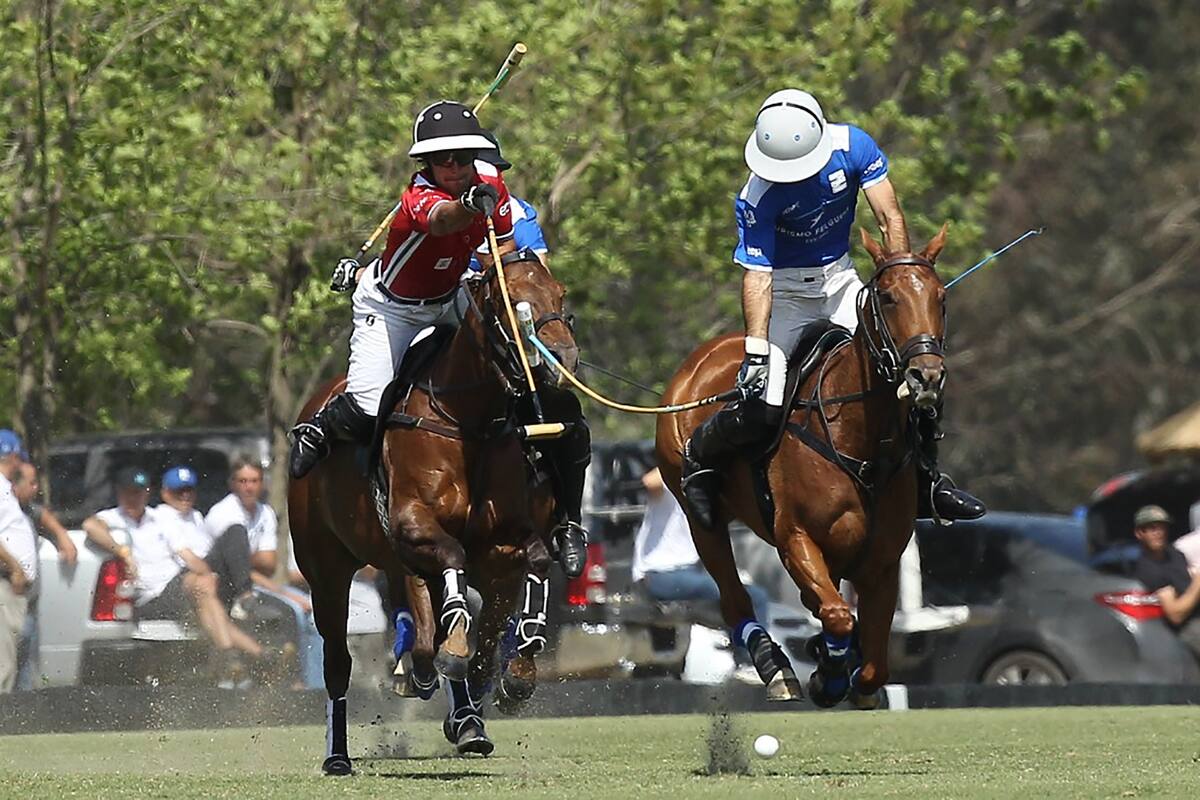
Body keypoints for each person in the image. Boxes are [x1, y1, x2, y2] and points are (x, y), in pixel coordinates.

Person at [290, 102, 588, 577]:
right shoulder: (419, 199)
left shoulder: (493, 187)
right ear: (426, 165)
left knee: (521, 378)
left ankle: (565, 520)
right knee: (368, 402)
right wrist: (470, 202)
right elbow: (445, 220)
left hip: (453, 294)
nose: (453, 168)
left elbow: (506, 247)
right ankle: (320, 426)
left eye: (462, 159)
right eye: (443, 161)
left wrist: (512, 300)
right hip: (393, 307)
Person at [679, 88, 985, 530]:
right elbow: (758, 277)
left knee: (912, 372)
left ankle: (926, 481)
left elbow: (889, 216)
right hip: (785, 293)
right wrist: (757, 349)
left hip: (841, 283)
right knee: (763, 400)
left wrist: (896, 276)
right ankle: (702, 464)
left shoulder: (854, 147)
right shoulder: (756, 196)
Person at [88, 466, 264, 686]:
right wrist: (122, 551)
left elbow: (186, 555)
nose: (135, 497)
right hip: (150, 597)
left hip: (177, 588)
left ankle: (238, 657)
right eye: (130, 491)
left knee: (203, 588)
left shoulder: (159, 518)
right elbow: (91, 526)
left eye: (140, 491)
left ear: (147, 492)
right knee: (202, 591)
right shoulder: (113, 516)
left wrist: (209, 574)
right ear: (120, 493)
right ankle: (255, 656)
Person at [206, 455, 319, 688]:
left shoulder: (264, 512)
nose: (249, 487)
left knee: (302, 611)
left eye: (254, 481)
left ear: (262, 483)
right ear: (232, 484)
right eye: (243, 481)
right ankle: (291, 682)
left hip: (250, 582)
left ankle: (304, 680)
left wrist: (247, 561)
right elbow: (235, 567)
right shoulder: (224, 513)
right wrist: (282, 591)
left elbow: (268, 563)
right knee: (289, 612)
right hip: (222, 588)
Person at [633, 467, 771, 623]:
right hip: (659, 574)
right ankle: (751, 647)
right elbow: (649, 482)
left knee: (739, 597)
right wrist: (679, 457)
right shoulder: (670, 483)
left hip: (688, 571)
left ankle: (739, 641)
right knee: (751, 598)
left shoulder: (703, 489)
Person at [156, 465, 259, 616]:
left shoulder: (196, 516)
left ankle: (246, 598)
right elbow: (189, 558)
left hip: (204, 572)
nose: (185, 495)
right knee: (235, 531)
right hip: (182, 581)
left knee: (235, 533)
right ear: (165, 493)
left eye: (189, 490)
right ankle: (243, 597)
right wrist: (211, 577)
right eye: (179, 491)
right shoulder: (161, 515)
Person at [11, 462, 78, 689]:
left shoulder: (25, 508)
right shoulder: (6, 510)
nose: (37, 488)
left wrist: (62, 534)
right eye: (31, 483)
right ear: (14, 484)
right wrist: (15, 568)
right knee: (8, 666)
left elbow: (42, 514)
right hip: (10, 600)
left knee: (27, 666)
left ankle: (26, 715)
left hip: (27, 602)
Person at [1131, 505, 1200, 660]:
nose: (1158, 533)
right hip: (1185, 629)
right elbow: (1176, 614)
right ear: (1139, 533)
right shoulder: (1147, 570)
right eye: (1152, 528)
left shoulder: (1175, 554)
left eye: (1162, 528)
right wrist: (1198, 584)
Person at [0, 430, 34, 693]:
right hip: (4, 583)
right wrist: (14, 567)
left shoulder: (5, 488)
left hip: (10, 584)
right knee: (3, 663)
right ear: (11, 456)